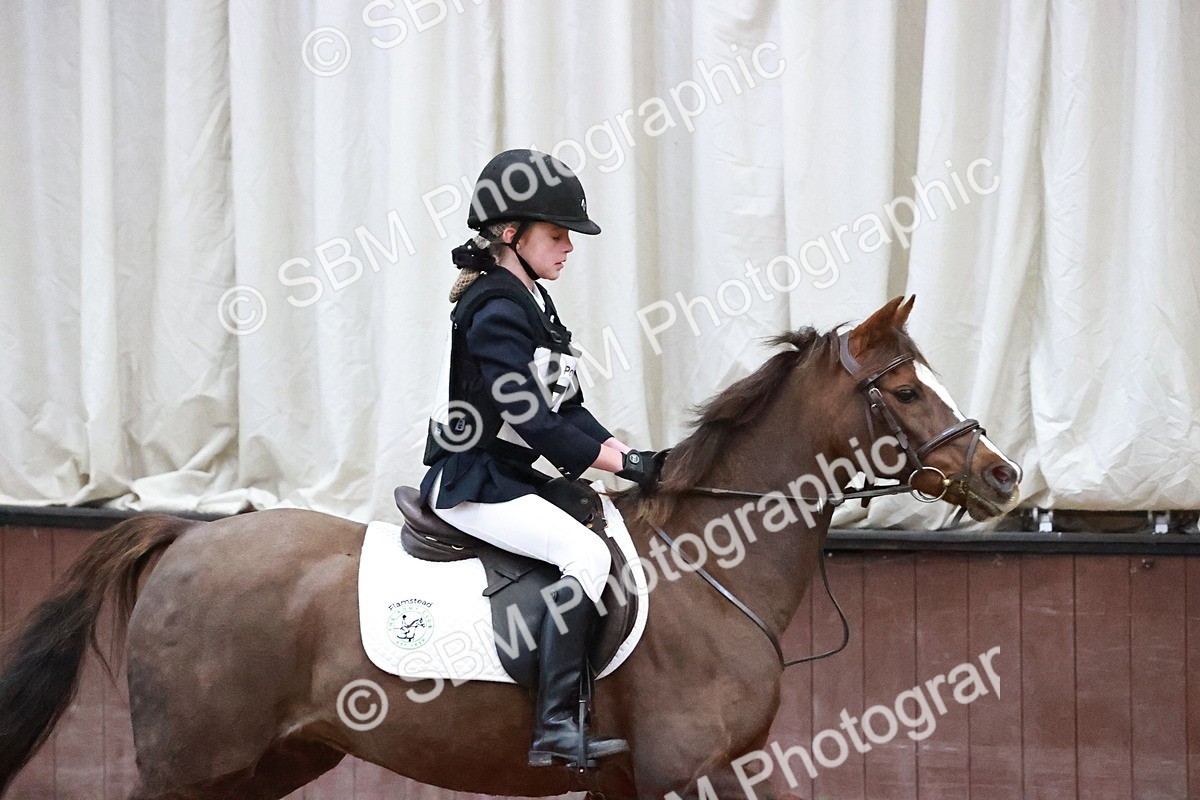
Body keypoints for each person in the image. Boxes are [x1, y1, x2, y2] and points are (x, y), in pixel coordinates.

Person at [419, 149, 662, 767]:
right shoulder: (496, 310)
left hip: (506, 473)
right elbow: (535, 422)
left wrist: (633, 456)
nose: (569, 248)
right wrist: (623, 468)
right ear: (511, 234)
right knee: (582, 553)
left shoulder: (532, 302)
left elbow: (568, 408)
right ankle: (555, 727)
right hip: (472, 479)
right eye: (557, 235)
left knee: (596, 526)